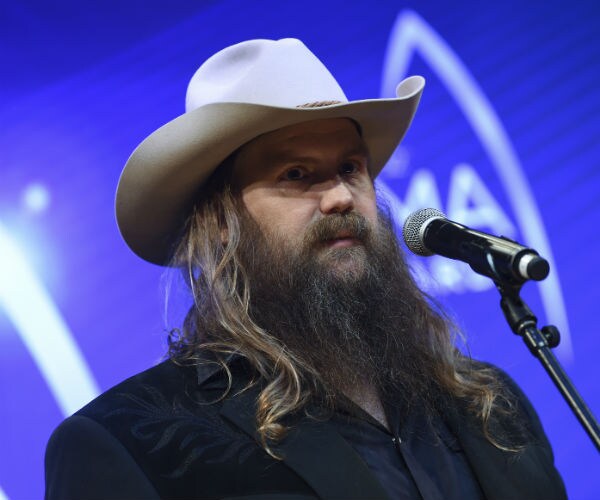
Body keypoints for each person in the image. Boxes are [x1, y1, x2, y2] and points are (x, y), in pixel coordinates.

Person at [45, 38, 566, 500]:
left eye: (350, 168)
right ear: (220, 222)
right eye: (296, 173)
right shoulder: (133, 446)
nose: (341, 196)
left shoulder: (488, 404)